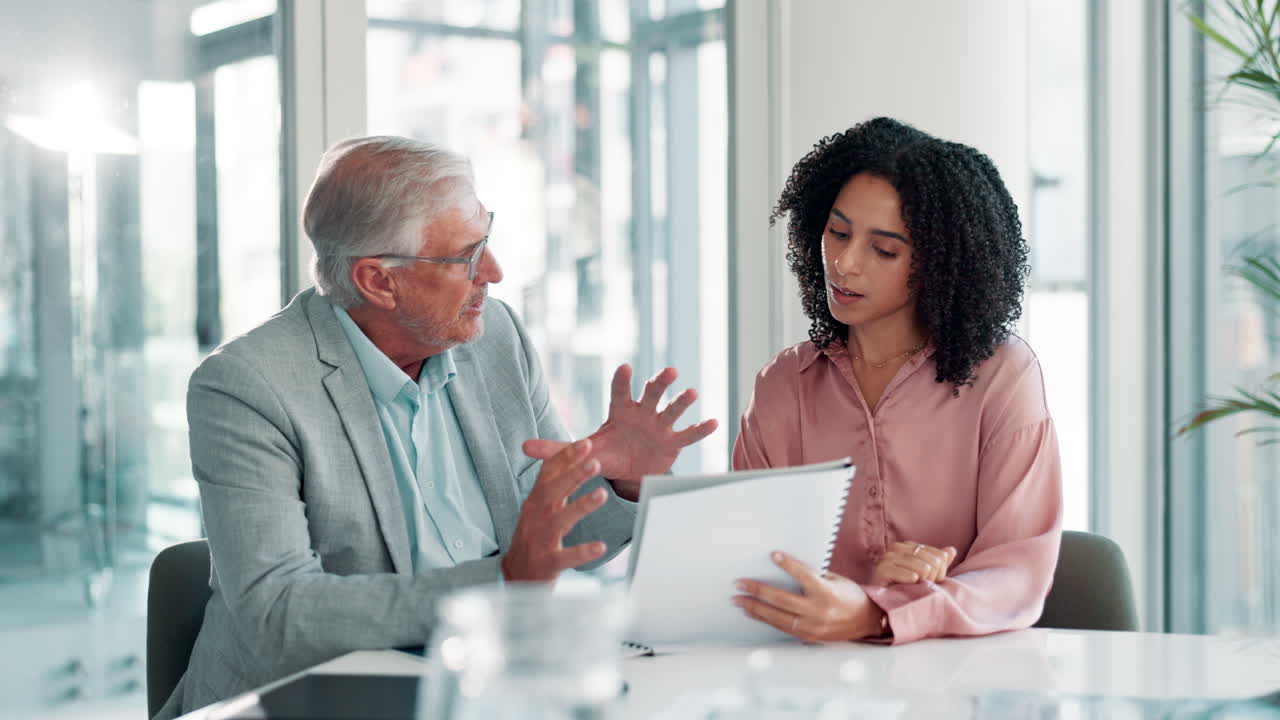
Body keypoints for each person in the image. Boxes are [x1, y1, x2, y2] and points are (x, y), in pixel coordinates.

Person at [155, 136, 717, 718]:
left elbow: (544, 541)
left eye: (487, 241)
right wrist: (503, 581)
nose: (494, 273)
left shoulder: (494, 336)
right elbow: (279, 614)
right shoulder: (248, 385)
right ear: (378, 280)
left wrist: (621, 484)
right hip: (306, 701)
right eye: (465, 257)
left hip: (475, 690)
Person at [730, 117, 1062, 645]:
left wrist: (881, 610)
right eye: (837, 232)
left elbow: (1016, 573)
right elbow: (750, 572)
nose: (844, 262)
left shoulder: (1003, 377)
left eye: (883, 250)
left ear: (941, 264)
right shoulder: (782, 386)